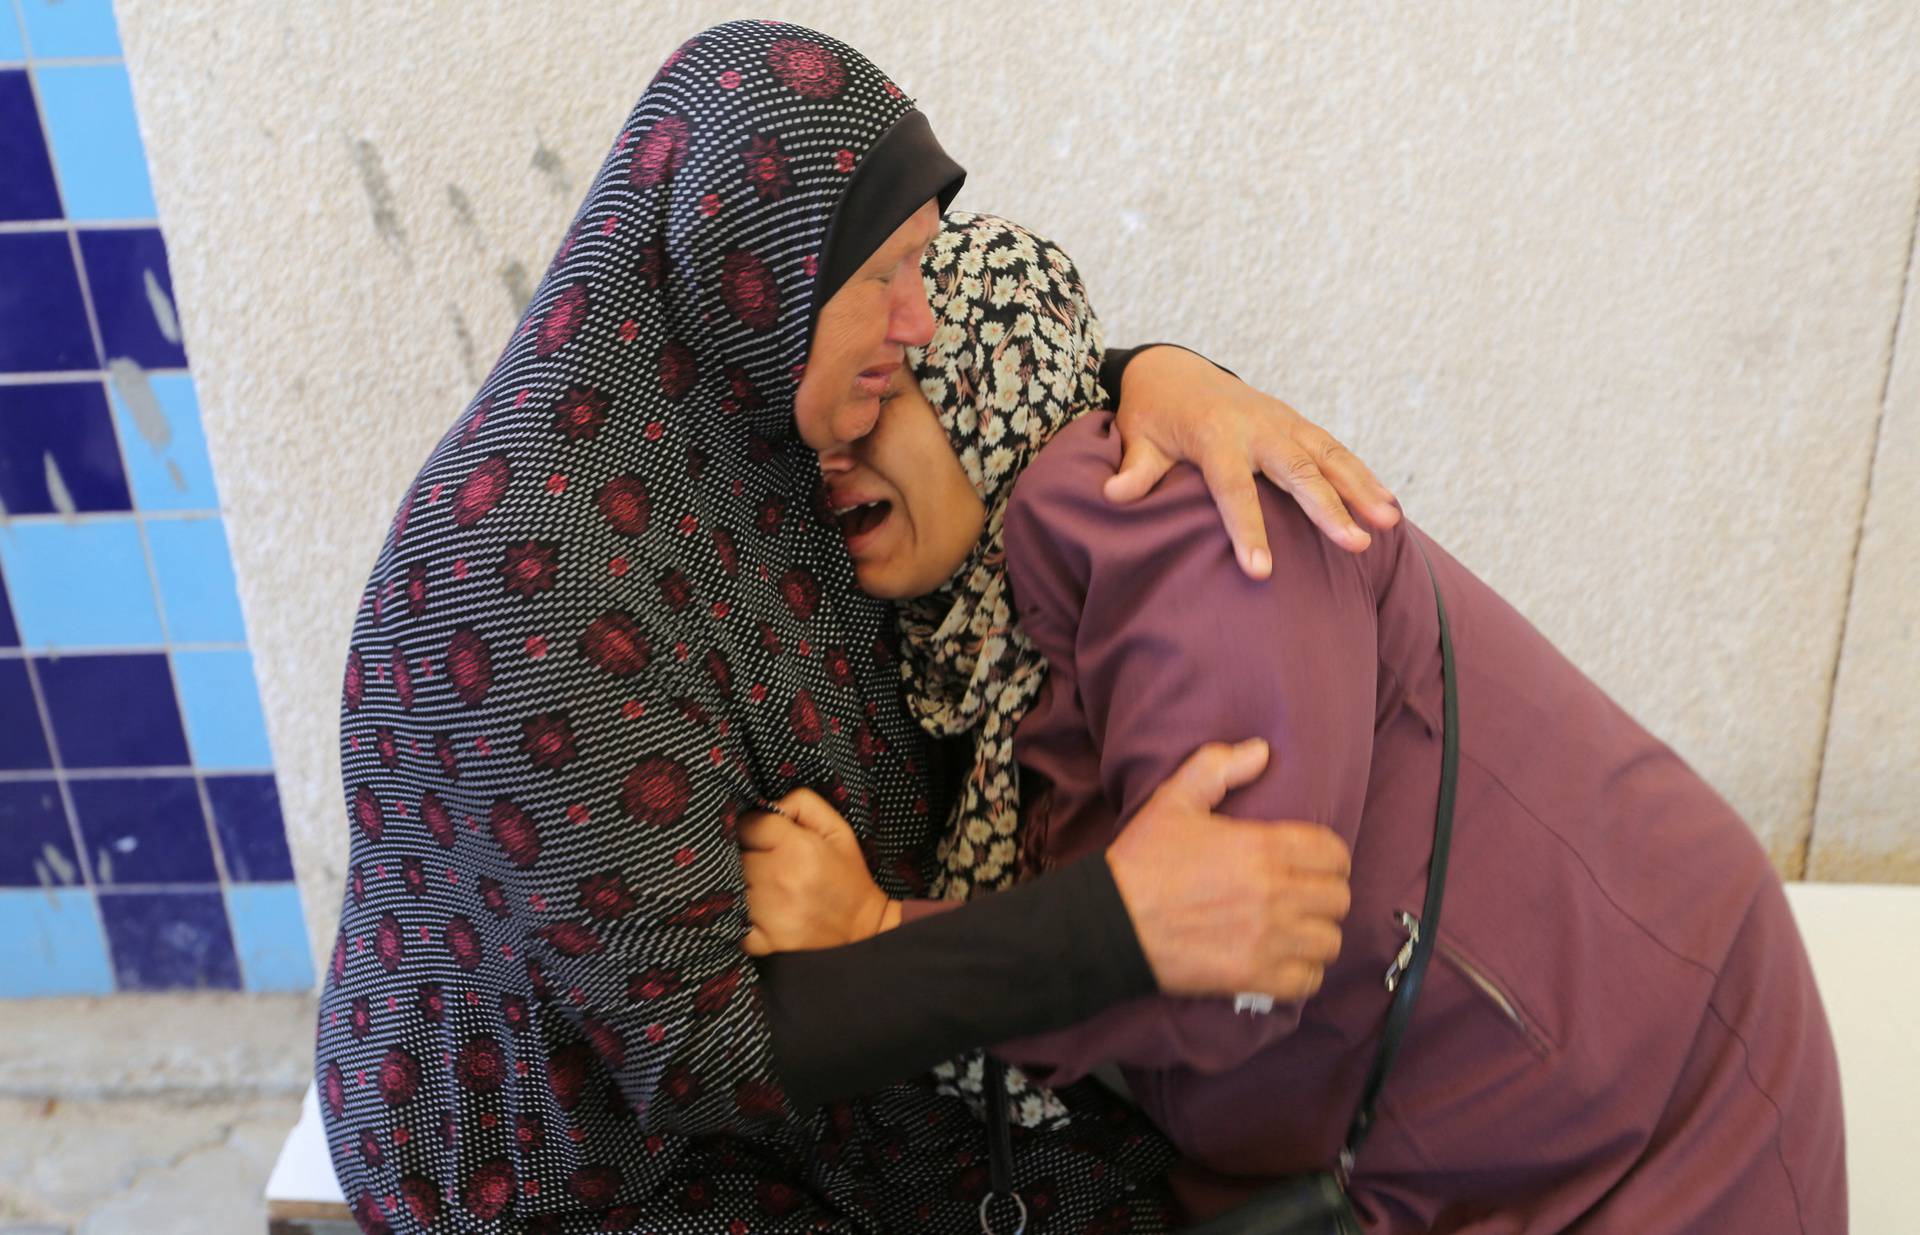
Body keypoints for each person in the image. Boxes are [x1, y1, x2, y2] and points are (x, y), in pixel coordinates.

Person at [320, 21, 1395, 1233]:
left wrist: (1162, 374)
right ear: (753, 262)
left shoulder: (748, 420)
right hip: (589, 1167)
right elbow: (697, 1055)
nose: (918, 326)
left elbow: (1008, 376)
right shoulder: (531, 583)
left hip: (838, 1052)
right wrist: (1114, 922)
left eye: (919, 276)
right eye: (881, 281)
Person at [750, 212, 1848, 1232]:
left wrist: (881, 941)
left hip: (1648, 1106)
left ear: (985, 374)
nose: (831, 443)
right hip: (1462, 1138)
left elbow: (1238, 946)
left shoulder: (1161, 510)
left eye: (881, 386)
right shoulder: (967, 642)